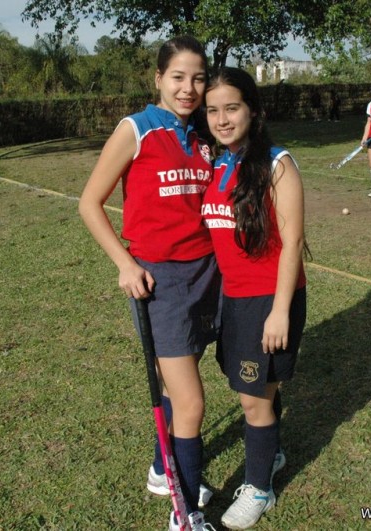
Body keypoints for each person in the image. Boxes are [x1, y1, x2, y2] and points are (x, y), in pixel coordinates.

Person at [78, 35, 220, 531]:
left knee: (179, 384)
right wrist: (125, 263)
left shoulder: (202, 132)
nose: (188, 88)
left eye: (198, 78)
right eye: (178, 77)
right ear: (158, 78)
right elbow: (89, 203)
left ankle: (164, 470)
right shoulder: (136, 129)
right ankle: (186, 514)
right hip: (162, 281)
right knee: (192, 402)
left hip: (208, 273)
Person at [202, 67, 306, 530]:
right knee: (258, 387)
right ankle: (272, 452)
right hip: (234, 297)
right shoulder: (219, 162)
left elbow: (292, 240)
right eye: (213, 110)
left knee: (252, 399)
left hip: (269, 298)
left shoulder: (277, 164)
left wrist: (279, 311)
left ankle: (259, 489)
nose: (222, 119)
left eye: (232, 107)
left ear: (253, 110)